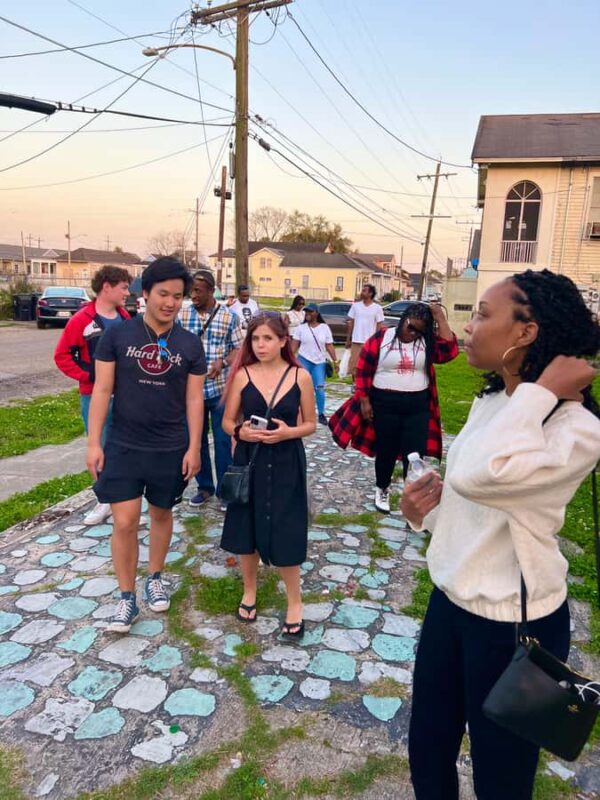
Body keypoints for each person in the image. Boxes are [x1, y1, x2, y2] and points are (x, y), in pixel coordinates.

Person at [401, 269, 600, 800]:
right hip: (450, 603)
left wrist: (539, 394)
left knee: (502, 774)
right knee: (428, 747)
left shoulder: (575, 429)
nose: (466, 328)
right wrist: (423, 513)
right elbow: (471, 501)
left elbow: (481, 476)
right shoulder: (494, 404)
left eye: (483, 315)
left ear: (525, 332)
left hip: (514, 625)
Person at [87, 257, 206, 633]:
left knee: (160, 513)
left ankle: (155, 576)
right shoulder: (118, 336)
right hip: (123, 444)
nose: (170, 302)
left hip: (170, 446)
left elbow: (194, 399)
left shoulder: (189, 343)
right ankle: (126, 598)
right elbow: (102, 390)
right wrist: (94, 443)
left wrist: (194, 448)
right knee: (123, 521)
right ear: (145, 293)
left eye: (178, 296)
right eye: (163, 294)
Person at [220, 313, 316, 635]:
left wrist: (288, 433)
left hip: (287, 459)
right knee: (247, 527)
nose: (260, 345)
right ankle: (250, 589)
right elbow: (227, 421)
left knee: (288, 526)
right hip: (252, 459)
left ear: (283, 341)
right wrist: (240, 432)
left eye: (268, 339)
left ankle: (294, 601)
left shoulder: (299, 376)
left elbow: (311, 424)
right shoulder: (243, 375)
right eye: (255, 339)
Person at [329, 302, 458, 513]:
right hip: (384, 404)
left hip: (417, 405)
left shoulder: (425, 341)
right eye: (411, 327)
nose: (413, 333)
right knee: (386, 450)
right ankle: (382, 488)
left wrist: (441, 319)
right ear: (402, 320)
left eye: (419, 330)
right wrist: (364, 400)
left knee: (415, 454)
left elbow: (450, 352)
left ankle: (412, 498)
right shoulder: (382, 338)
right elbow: (363, 370)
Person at [54, 265, 131, 525]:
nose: (127, 293)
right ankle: (104, 501)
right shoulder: (81, 320)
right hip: (93, 396)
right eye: (123, 287)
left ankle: (124, 502)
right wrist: (87, 375)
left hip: (124, 397)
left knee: (123, 449)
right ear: (106, 287)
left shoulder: (125, 319)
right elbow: (62, 356)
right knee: (100, 446)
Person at [179, 269, 243, 509]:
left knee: (224, 441)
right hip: (190, 393)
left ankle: (225, 492)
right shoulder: (182, 315)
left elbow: (238, 348)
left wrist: (223, 362)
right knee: (196, 441)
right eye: (191, 291)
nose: (192, 295)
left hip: (219, 391)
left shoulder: (228, 317)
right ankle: (204, 487)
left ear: (210, 289)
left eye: (197, 290)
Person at [291, 303, 338, 425]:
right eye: (306, 312)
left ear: (316, 313)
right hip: (304, 360)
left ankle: (321, 413)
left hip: (319, 362)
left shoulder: (324, 328)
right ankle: (297, 412)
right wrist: (289, 359)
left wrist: (335, 361)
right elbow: (294, 345)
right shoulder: (301, 328)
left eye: (310, 312)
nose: (308, 314)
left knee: (320, 388)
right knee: (299, 388)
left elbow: (329, 345)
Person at [345, 283, 384, 376]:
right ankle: (355, 385)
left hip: (369, 342)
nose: (362, 293)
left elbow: (379, 325)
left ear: (370, 293)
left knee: (368, 366)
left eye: (364, 291)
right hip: (356, 340)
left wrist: (377, 341)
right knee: (353, 365)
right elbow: (351, 323)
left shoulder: (377, 308)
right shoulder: (355, 306)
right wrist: (348, 339)